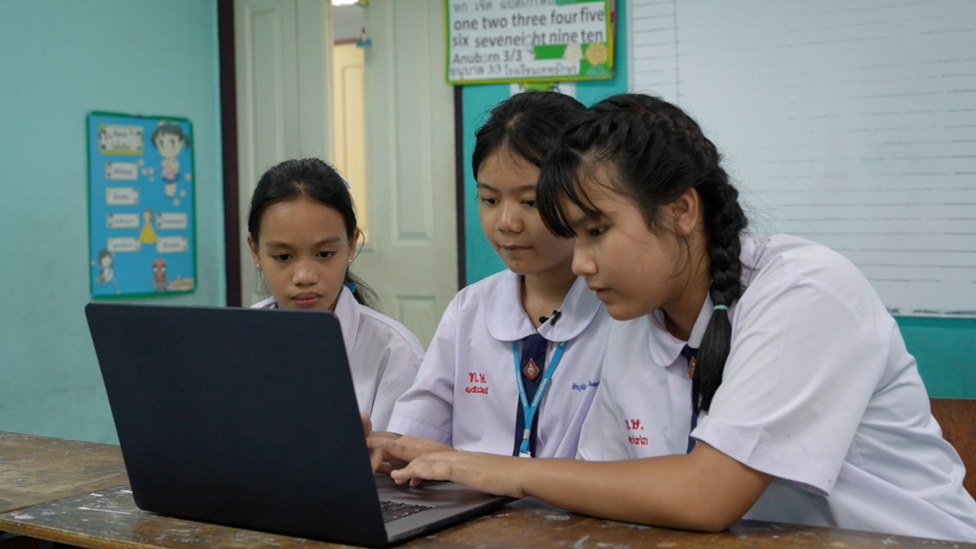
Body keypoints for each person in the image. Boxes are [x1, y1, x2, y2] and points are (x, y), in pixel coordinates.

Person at [374, 94, 976, 542]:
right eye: (572, 237)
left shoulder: (805, 291)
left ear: (682, 209)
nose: (581, 263)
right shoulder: (636, 322)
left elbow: (706, 496)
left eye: (598, 231)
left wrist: (506, 471)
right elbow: (602, 487)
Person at [371, 92, 611, 461]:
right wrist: (387, 446)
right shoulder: (470, 308)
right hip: (475, 510)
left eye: (530, 202)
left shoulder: (620, 312)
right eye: (490, 200)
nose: (506, 224)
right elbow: (418, 429)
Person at [248, 158, 423, 431]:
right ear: (256, 251)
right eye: (283, 256)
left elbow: (401, 461)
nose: (305, 276)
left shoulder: (395, 354)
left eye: (325, 254)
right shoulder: (236, 340)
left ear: (351, 246)